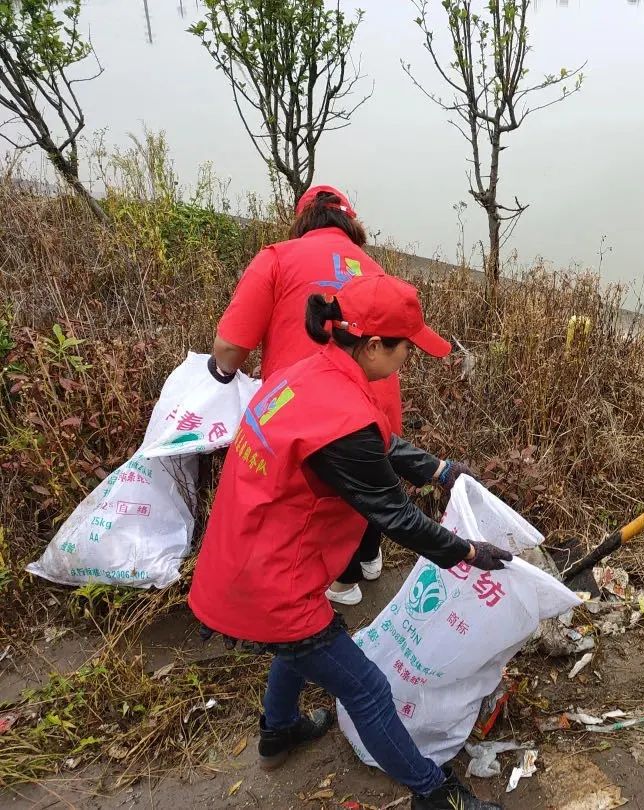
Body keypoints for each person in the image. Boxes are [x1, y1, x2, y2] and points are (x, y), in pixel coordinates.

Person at [190, 273, 508, 809]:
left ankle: (279, 729)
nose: (410, 357)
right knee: (366, 688)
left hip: (247, 553)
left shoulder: (310, 375)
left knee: (301, 639)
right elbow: (396, 517)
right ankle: (433, 796)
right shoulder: (340, 415)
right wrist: (469, 553)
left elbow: (375, 441)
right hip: (272, 579)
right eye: (407, 346)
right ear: (375, 345)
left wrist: (441, 470)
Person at [208, 184, 454, 605]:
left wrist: (220, 373)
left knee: (319, 501)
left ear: (302, 220)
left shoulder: (276, 258)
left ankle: (335, 585)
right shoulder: (374, 268)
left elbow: (229, 348)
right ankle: (367, 557)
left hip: (312, 414)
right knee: (373, 477)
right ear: (350, 222)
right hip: (375, 403)